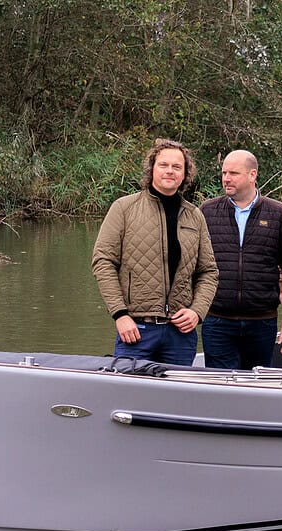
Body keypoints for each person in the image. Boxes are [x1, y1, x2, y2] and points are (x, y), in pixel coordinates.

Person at [91, 138, 219, 365]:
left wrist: (197, 312)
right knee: (127, 388)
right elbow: (103, 262)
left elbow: (208, 272)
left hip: (180, 335)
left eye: (177, 166)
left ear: (185, 174)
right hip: (135, 331)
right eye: (163, 165)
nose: (170, 171)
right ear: (152, 169)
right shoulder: (124, 208)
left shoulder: (195, 216)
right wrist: (120, 315)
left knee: (178, 390)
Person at [200, 150, 282, 369]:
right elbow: (193, 266)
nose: (226, 178)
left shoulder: (277, 213)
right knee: (219, 385)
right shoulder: (207, 212)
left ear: (252, 175)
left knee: (257, 384)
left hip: (261, 322)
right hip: (217, 321)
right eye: (224, 173)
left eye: (233, 173)